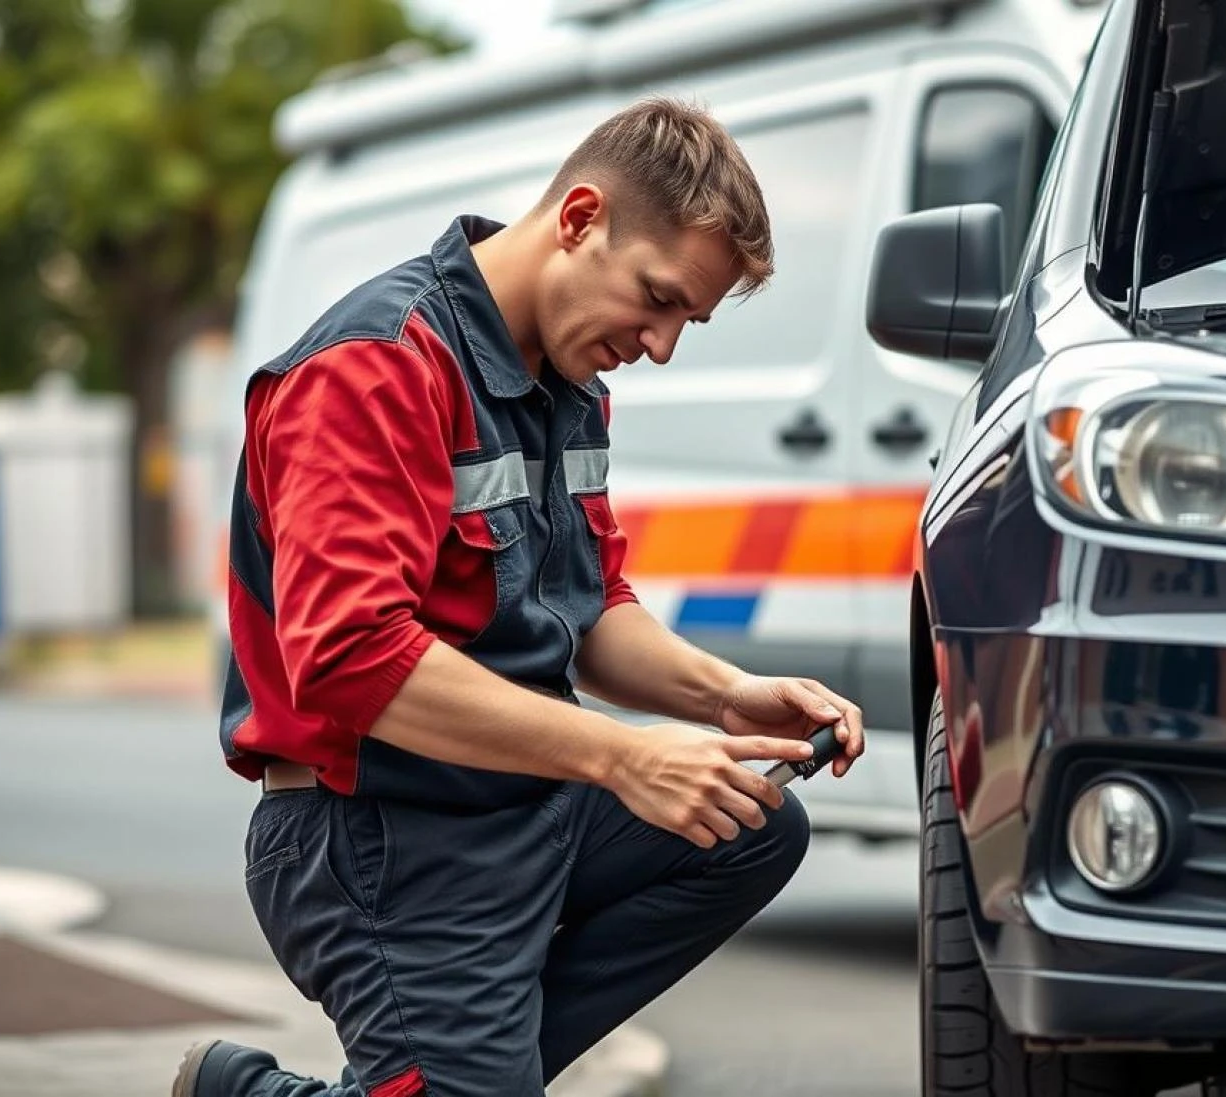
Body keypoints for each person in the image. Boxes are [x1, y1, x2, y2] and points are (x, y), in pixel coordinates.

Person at [173, 95, 865, 1097]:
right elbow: (351, 660)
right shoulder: (374, 366)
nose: (663, 343)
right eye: (659, 298)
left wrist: (726, 697)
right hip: (379, 831)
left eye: (689, 321)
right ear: (580, 219)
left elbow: (592, 608)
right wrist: (626, 752)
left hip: (523, 799)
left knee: (747, 823)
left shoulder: (572, 379)